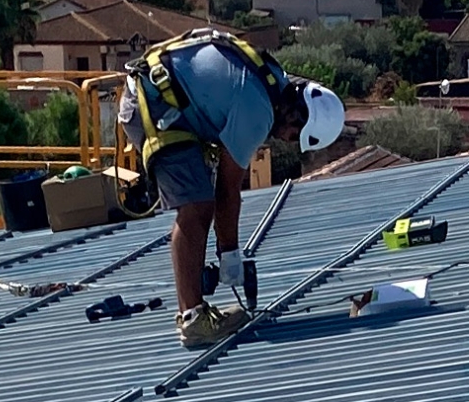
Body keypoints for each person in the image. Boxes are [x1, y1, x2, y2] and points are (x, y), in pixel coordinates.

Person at [119, 30, 345, 347]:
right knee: (197, 206)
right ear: (296, 112)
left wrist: (227, 250)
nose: (286, 140)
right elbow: (228, 191)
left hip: (164, 93)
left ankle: (195, 306)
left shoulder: (273, 80)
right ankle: (194, 320)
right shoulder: (258, 112)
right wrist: (230, 256)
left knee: (202, 203)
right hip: (154, 106)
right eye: (296, 134)